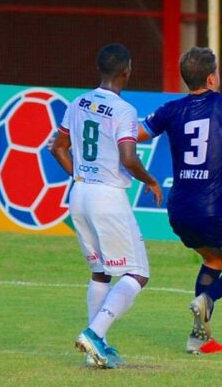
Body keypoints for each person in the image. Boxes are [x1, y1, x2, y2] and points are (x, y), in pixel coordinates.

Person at [138, 47, 222, 354]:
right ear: (212, 77)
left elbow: (132, 137)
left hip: (178, 211)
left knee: (213, 259)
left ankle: (198, 339)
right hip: (215, 209)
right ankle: (208, 298)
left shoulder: (169, 110)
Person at [51, 43, 163, 368]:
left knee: (100, 271)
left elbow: (58, 147)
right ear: (126, 71)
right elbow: (128, 157)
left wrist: (82, 175)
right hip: (107, 198)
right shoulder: (124, 110)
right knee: (137, 273)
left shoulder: (78, 102)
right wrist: (151, 181)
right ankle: (95, 334)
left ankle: (95, 351)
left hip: (80, 193)